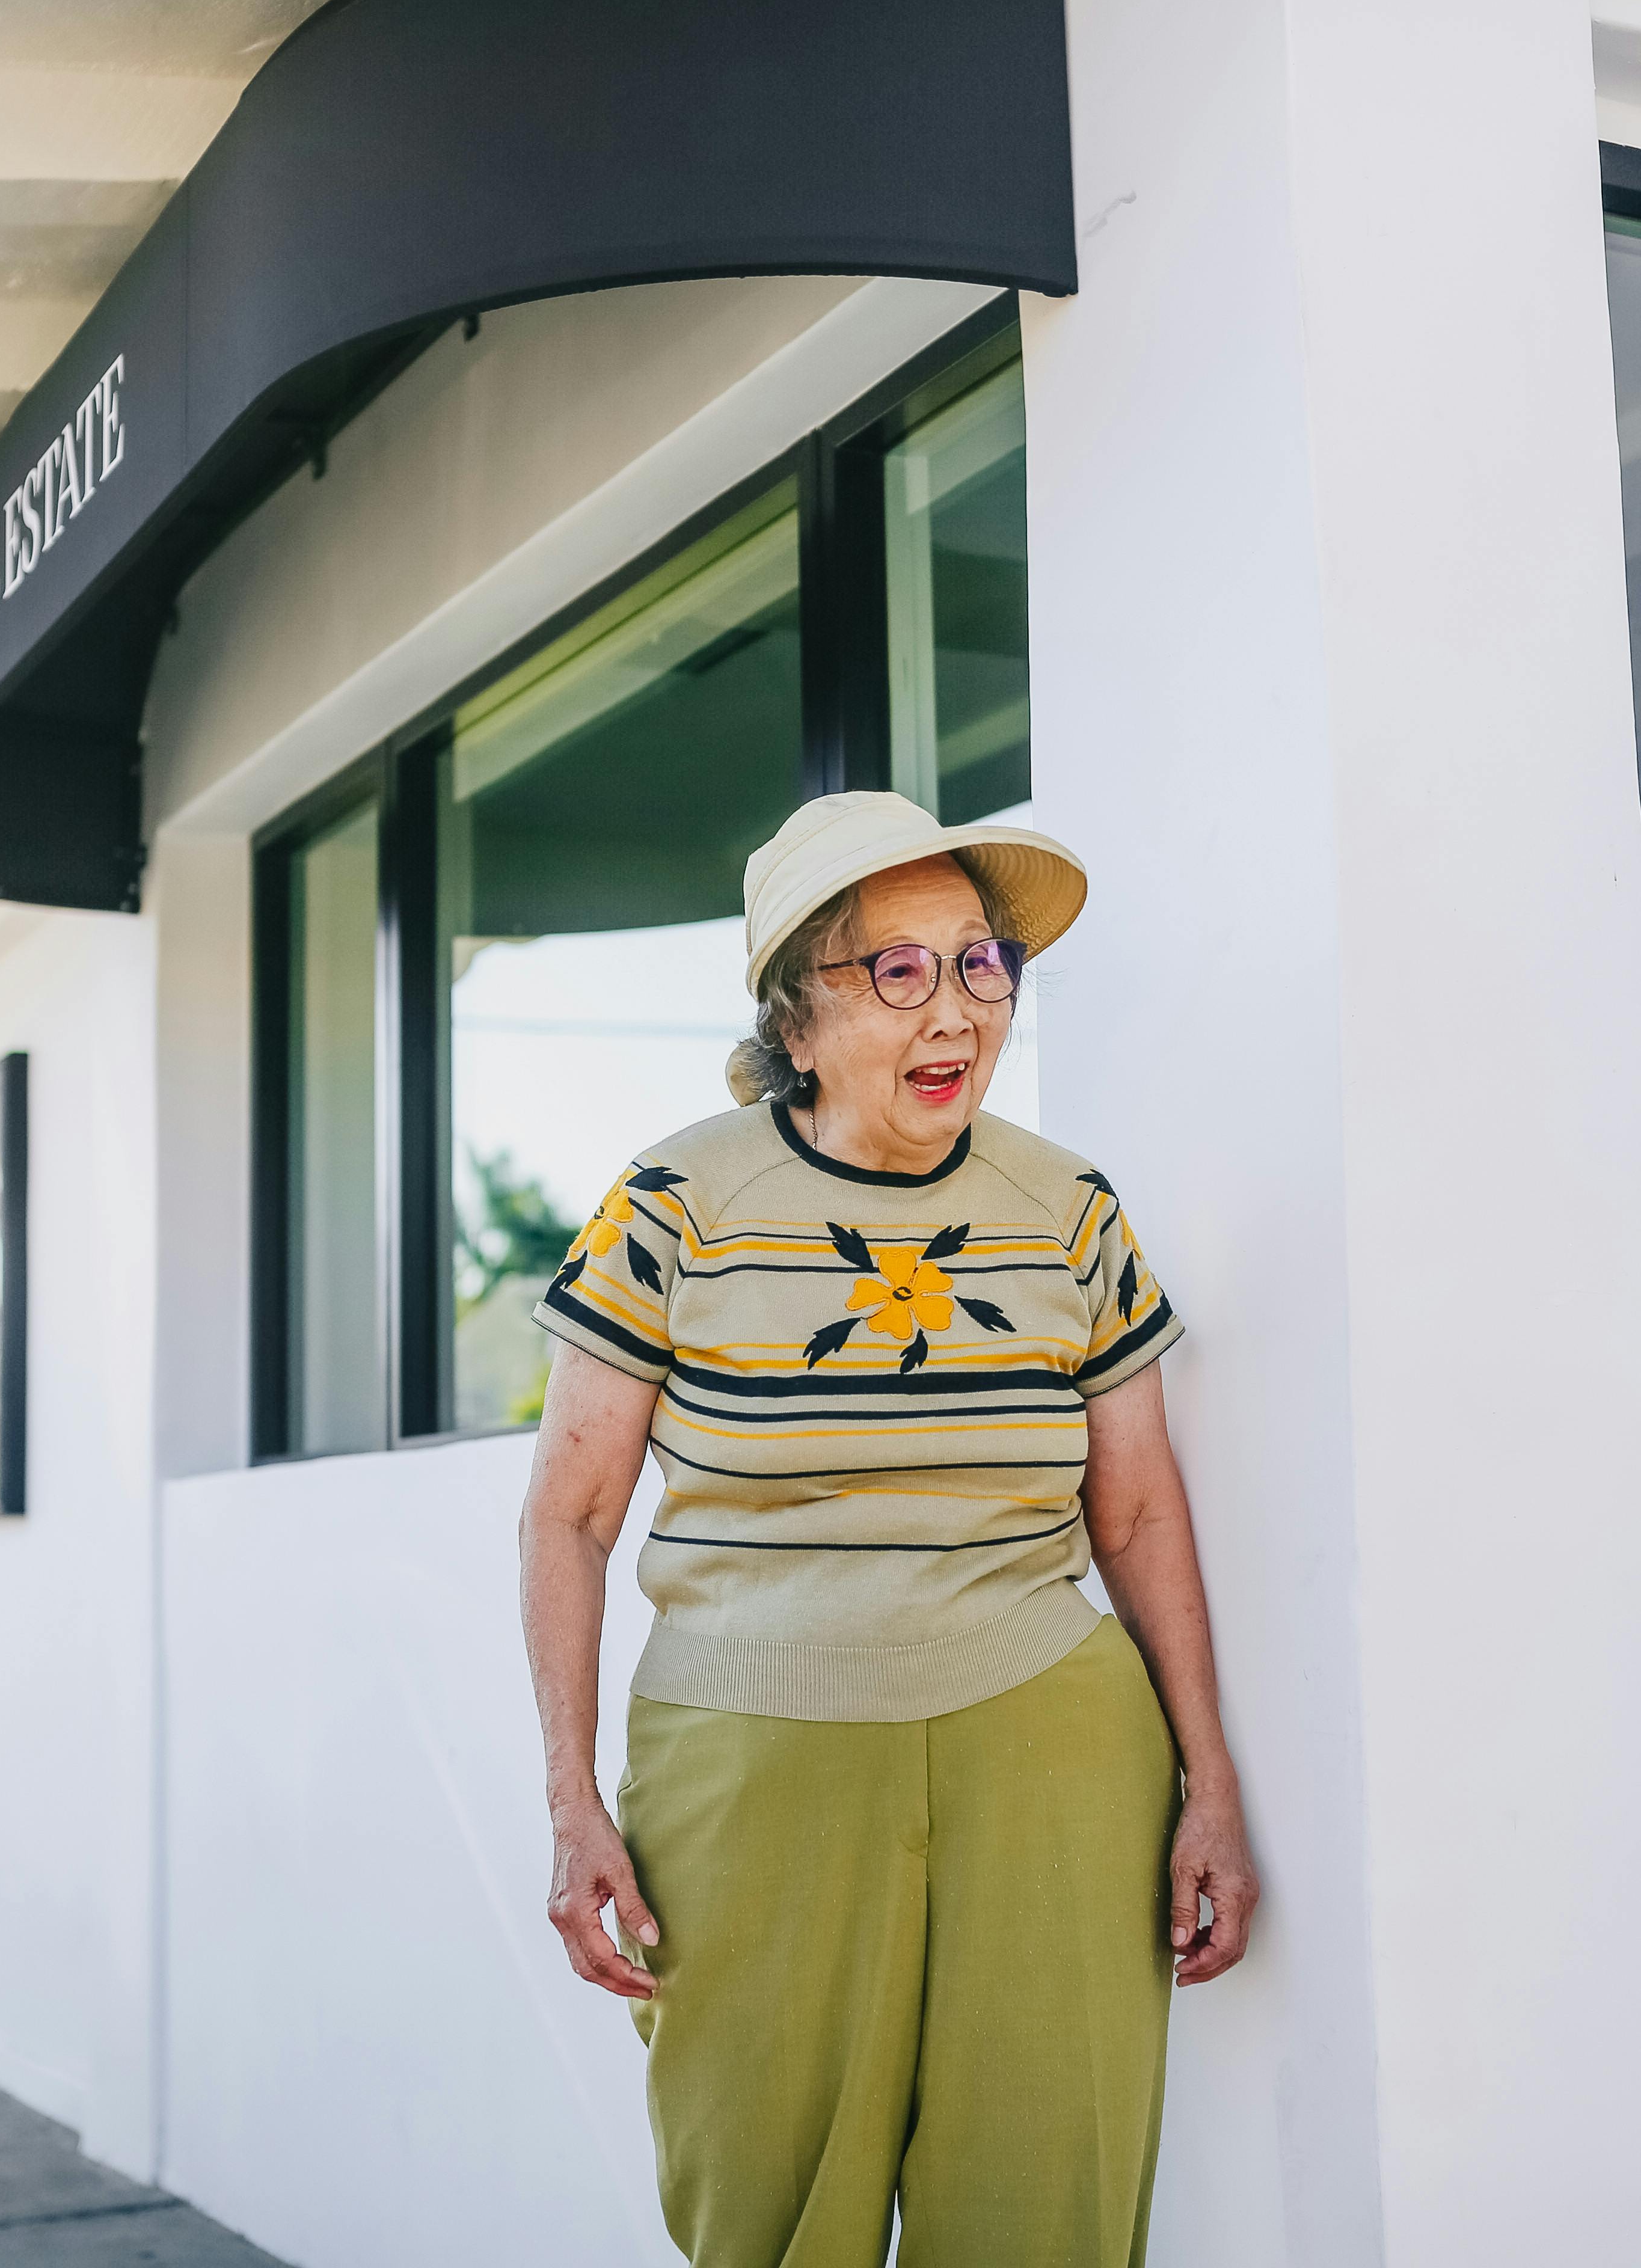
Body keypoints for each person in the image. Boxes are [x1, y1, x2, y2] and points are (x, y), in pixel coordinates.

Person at [516, 790, 1258, 2268]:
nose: (957, 1012)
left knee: (1046, 2215)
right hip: (749, 1768)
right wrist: (570, 1801)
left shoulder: (1068, 1210)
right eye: (898, 971)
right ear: (796, 1022)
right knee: (771, 2220)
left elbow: (1140, 1506)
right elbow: (572, 1512)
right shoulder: (677, 1203)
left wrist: (1210, 1783)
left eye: (981, 965)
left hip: (1053, 1754)